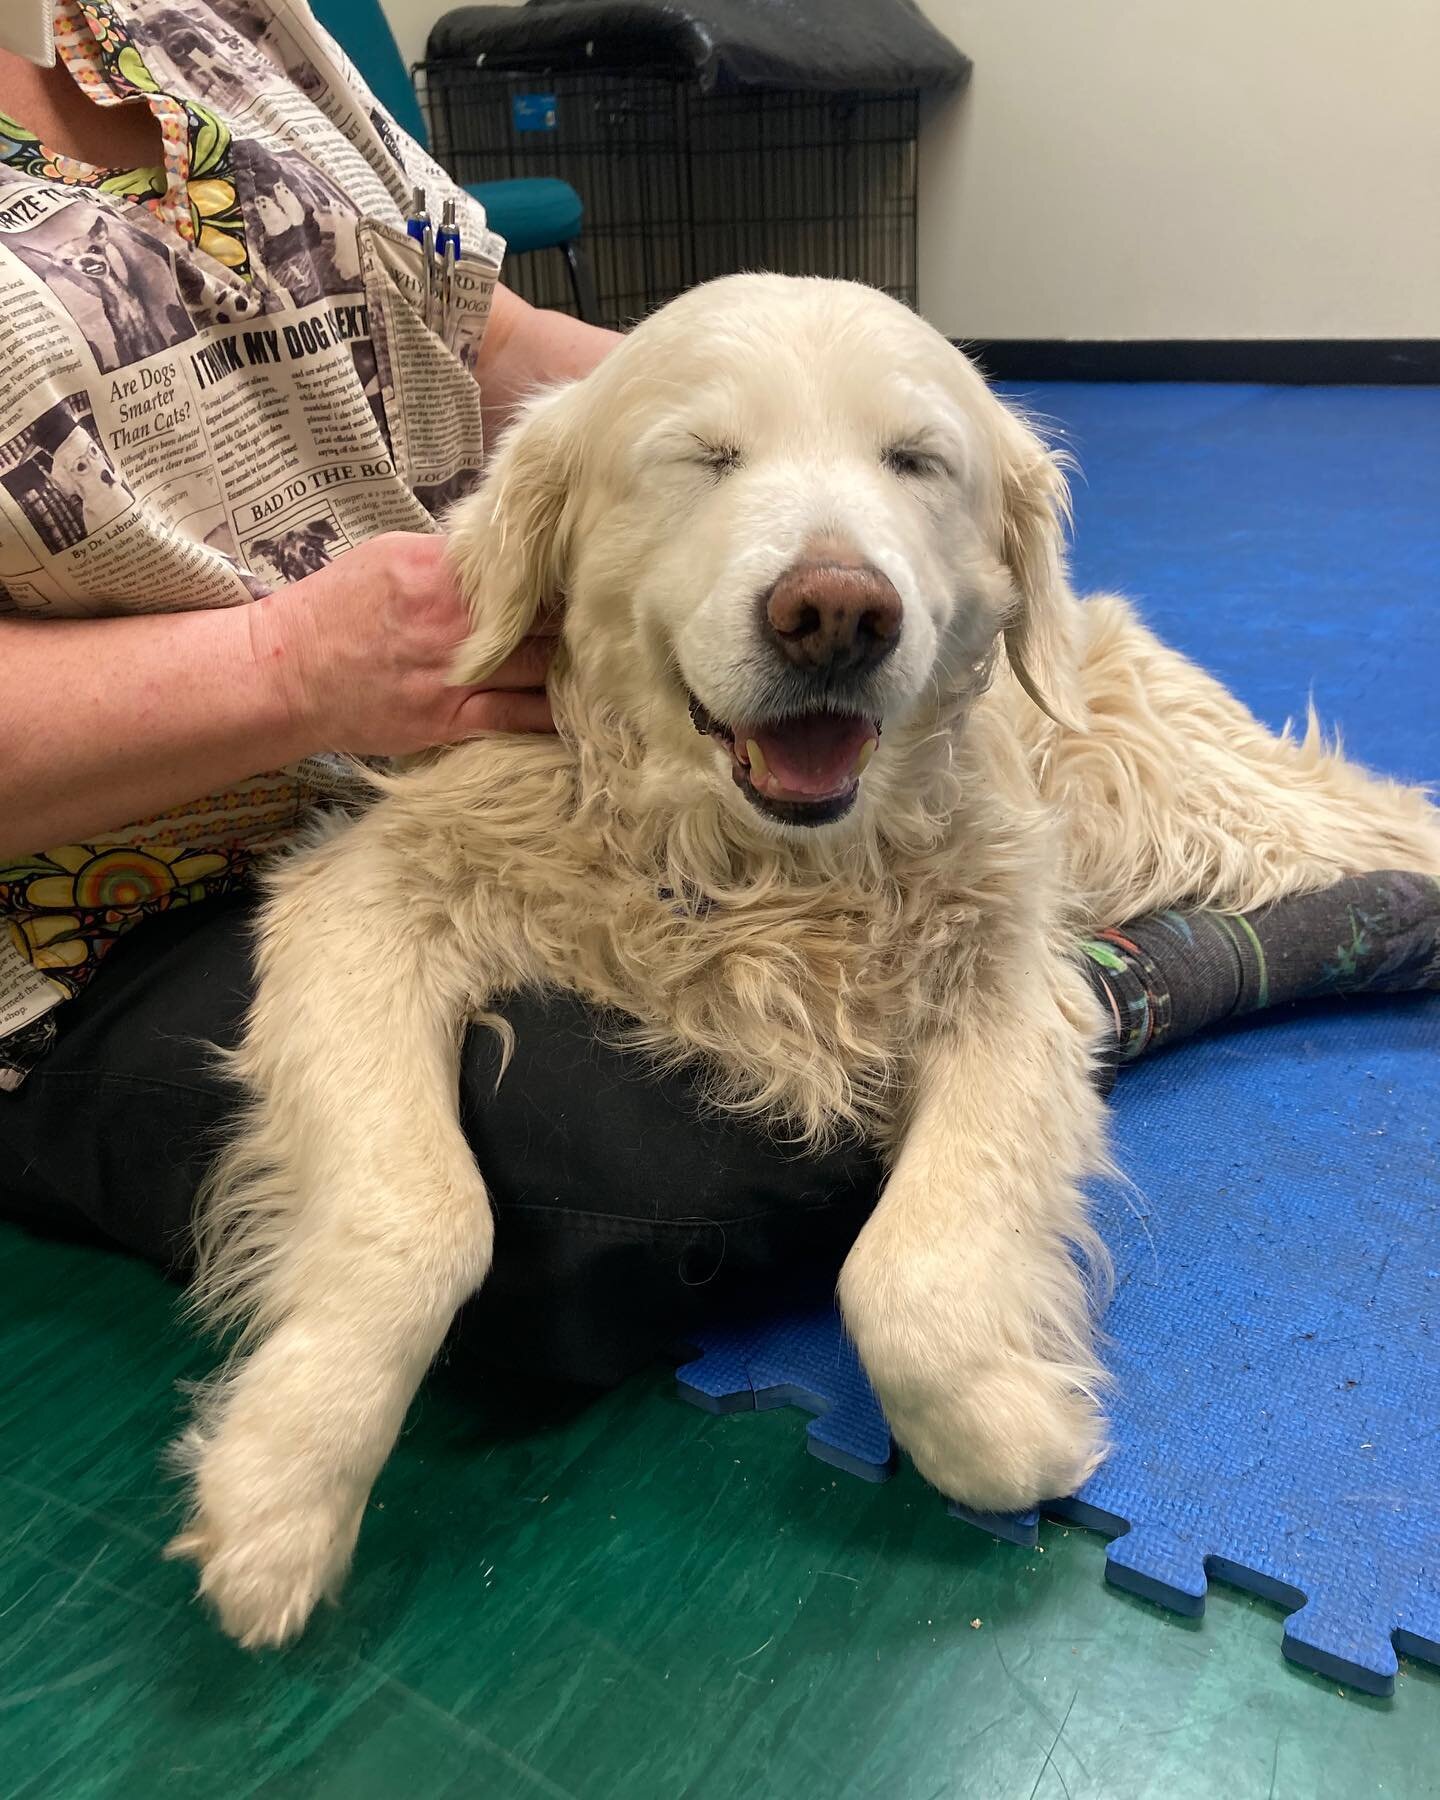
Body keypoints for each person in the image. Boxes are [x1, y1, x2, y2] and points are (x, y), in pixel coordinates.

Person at [0, 0, 882, 1388]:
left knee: (895, 843)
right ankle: (1089, 996)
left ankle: (1051, 995)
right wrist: (286, 670)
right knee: (629, 1162)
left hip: (466, 746)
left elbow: (494, 344)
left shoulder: (215, 21)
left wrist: (854, 463)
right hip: (105, 921)